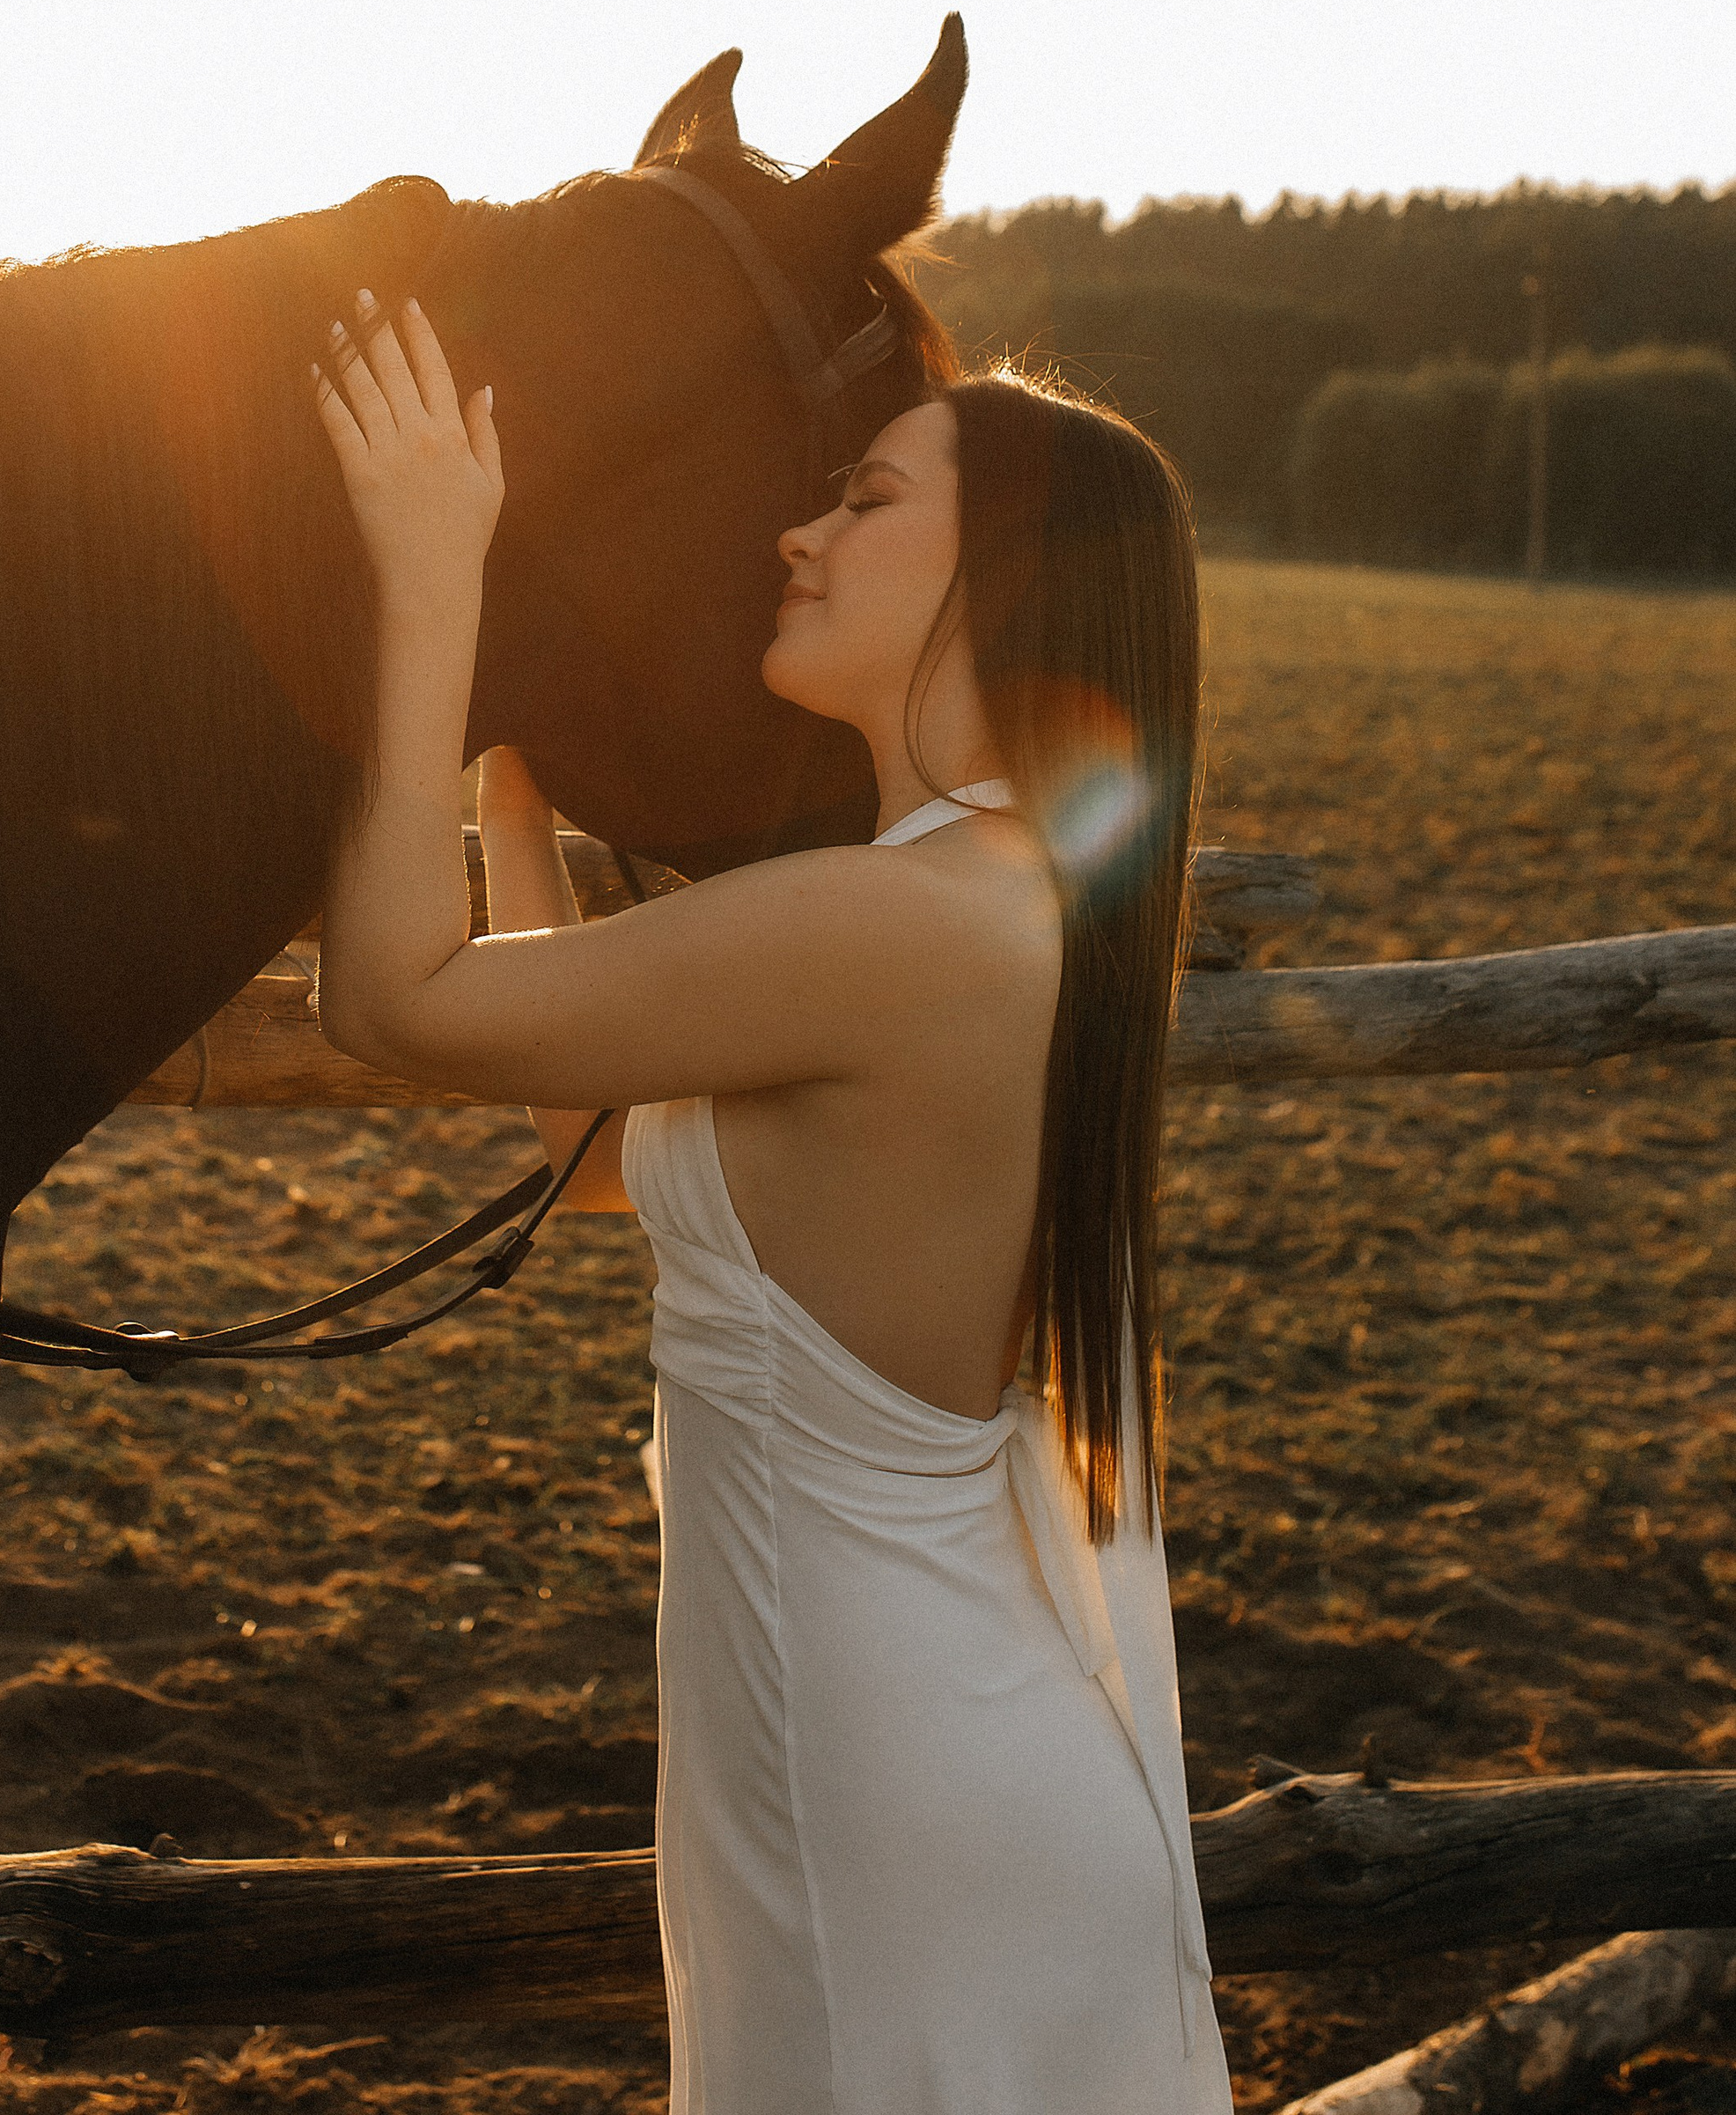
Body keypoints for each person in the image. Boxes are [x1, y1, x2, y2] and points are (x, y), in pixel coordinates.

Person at [313, 287, 1232, 2115]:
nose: (801, 533)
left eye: (867, 499)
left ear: (1008, 578)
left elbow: (389, 998)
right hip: (921, 1775)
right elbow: (600, 1157)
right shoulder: (979, 896)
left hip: (896, 1823)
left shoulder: (892, 922)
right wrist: (514, 780)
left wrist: (431, 578)